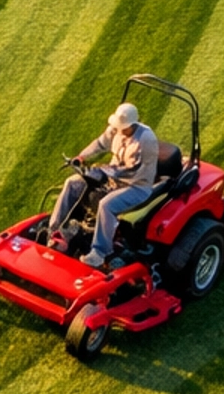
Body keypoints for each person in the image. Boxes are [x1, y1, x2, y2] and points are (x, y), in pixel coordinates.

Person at [47, 100, 159, 269]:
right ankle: (54, 231)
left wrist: (99, 171)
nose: (120, 130)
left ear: (134, 123)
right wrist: (82, 157)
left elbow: (133, 170)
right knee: (72, 183)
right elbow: (100, 143)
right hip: (112, 178)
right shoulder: (116, 128)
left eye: (124, 128)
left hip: (136, 185)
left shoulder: (146, 139)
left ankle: (100, 253)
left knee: (106, 205)